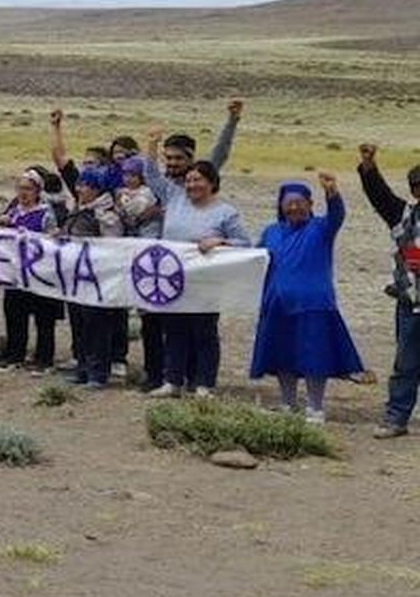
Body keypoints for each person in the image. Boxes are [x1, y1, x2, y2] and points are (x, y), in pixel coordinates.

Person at [250, 174, 364, 424]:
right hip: (277, 304)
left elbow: (337, 215)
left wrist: (332, 193)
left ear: (310, 204)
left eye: (300, 202)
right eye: (289, 203)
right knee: (283, 356)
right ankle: (288, 403)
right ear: (281, 206)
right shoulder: (271, 232)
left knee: (315, 358)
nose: (294, 207)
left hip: (314, 305)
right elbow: (253, 259)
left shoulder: (321, 228)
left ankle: (315, 407)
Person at [142, 151, 250, 398]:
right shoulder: (174, 197)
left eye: (198, 180)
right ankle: (173, 381)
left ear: (211, 183)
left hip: (206, 282)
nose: (192, 185)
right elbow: (152, 175)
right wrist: (152, 145)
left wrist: (220, 242)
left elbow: (244, 243)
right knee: (174, 330)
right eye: (189, 180)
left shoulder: (225, 212)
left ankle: (204, 384)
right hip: (173, 279)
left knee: (204, 332)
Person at [356, 143, 420, 438]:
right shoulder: (402, 215)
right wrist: (369, 166)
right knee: (406, 364)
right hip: (411, 302)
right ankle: (396, 418)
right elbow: (379, 195)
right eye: (418, 186)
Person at [57, 167, 124, 388]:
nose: (79, 189)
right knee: (79, 325)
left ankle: (98, 372)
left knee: (96, 326)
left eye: (84, 185)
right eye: (79, 185)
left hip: (96, 280)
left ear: (96, 189)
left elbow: (112, 246)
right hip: (75, 278)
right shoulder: (79, 210)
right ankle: (83, 368)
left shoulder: (106, 215)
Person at [0, 169, 62, 374]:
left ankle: (44, 359)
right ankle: (15, 355)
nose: (23, 193)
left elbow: (52, 240)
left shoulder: (45, 214)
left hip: (40, 274)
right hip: (16, 274)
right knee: (15, 315)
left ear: (37, 191)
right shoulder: (13, 212)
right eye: (20, 188)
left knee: (43, 319)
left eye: (28, 189)